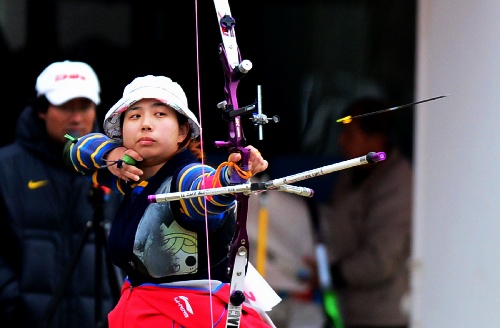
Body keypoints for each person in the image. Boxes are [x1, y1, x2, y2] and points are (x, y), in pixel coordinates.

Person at [65, 75, 275, 327]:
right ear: (122, 132)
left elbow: (205, 193)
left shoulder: (189, 175)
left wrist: (232, 176)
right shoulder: (131, 174)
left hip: (189, 316)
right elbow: (75, 150)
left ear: (183, 131)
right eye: (134, 116)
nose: (145, 124)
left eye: (160, 114)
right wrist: (112, 152)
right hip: (143, 311)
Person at [0, 60, 122, 327]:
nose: (77, 117)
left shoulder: (118, 169)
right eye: (66, 106)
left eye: (85, 106)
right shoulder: (5, 166)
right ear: (41, 109)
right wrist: (13, 303)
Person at [319, 97, 413, 328]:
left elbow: (380, 260)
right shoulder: (351, 172)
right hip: (348, 311)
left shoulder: (398, 184)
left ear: (376, 140)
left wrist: (329, 275)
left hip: (383, 316)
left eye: (350, 136)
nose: (341, 142)